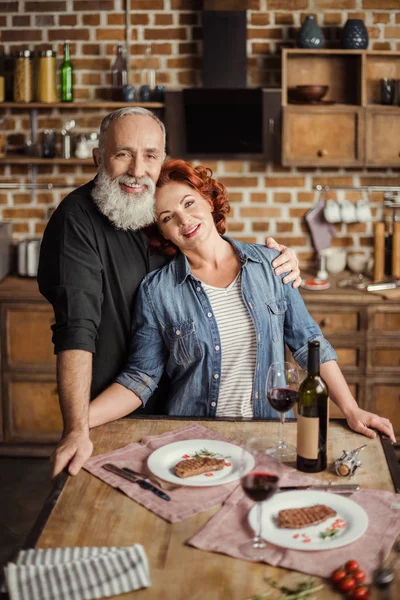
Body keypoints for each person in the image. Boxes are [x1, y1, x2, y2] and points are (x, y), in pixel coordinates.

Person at [38, 107, 302, 479]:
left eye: (149, 155)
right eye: (122, 154)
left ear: (162, 160)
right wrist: (77, 426)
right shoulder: (75, 220)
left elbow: (211, 251)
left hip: (182, 413)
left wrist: (278, 260)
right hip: (115, 416)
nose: (136, 169)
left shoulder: (161, 208)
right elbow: (75, 330)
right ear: (99, 158)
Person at [88, 159, 396, 446]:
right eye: (168, 217)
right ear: (164, 232)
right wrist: (81, 421)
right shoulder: (157, 292)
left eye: (189, 203)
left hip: (269, 433)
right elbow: (141, 377)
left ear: (209, 202)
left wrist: (352, 409)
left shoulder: (272, 265)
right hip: (195, 438)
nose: (184, 220)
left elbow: (309, 343)